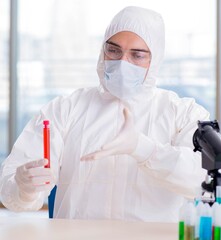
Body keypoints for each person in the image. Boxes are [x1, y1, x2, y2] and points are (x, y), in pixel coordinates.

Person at [0, 6, 209, 222]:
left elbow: (202, 181)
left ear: (154, 60)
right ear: (102, 51)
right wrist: (24, 187)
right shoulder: (65, 109)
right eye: (114, 50)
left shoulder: (183, 113)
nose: (122, 63)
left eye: (137, 55)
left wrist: (144, 149)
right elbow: (15, 198)